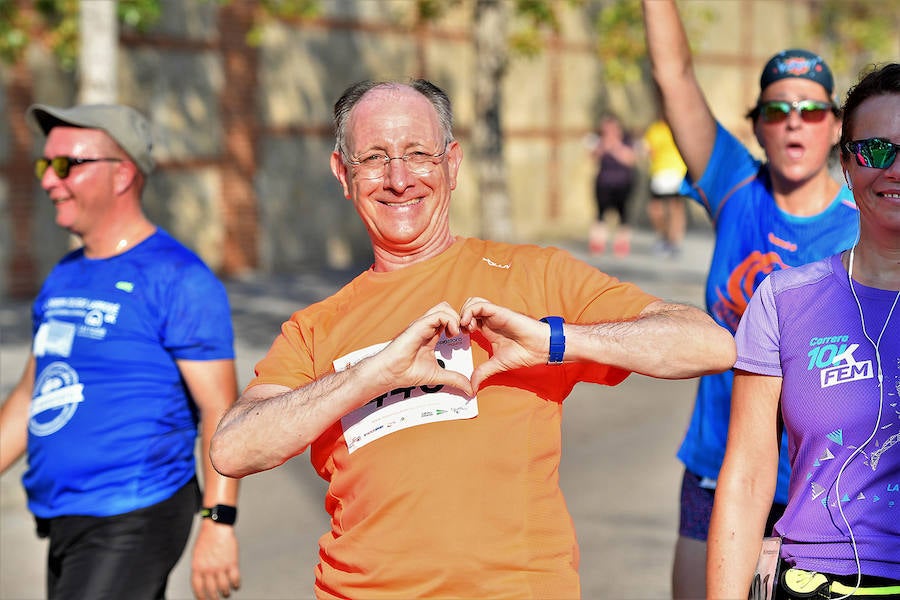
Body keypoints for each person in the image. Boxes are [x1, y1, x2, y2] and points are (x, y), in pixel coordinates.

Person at [209, 78, 736, 598]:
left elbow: (708, 344)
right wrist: (372, 375)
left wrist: (556, 342)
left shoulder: (533, 276)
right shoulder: (314, 328)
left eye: (419, 153)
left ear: (453, 164)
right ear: (342, 173)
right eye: (373, 158)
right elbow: (233, 449)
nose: (398, 179)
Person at [641, 2, 861, 597]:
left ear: (837, 125)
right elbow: (674, 77)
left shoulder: (865, 225)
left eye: (812, 110)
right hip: (719, 468)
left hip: (823, 486)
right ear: (758, 126)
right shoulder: (735, 187)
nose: (795, 123)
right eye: (777, 111)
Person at [0, 103, 242, 600]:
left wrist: (218, 521)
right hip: (64, 516)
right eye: (45, 165)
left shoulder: (179, 279)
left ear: (122, 174)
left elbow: (221, 407)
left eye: (66, 165)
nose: (49, 181)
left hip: (133, 514)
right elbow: (30, 394)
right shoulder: (63, 275)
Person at [708, 62, 900, 600]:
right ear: (846, 163)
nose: (894, 170)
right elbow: (747, 477)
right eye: (876, 150)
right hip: (814, 580)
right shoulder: (784, 299)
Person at [589, 114, 639, 257]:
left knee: (623, 214)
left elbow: (630, 159)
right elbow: (592, 157)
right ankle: (597, 243)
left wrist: (615, 147)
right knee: (600, 213)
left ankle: (621, 244)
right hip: (603, 182)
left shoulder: (627, 140)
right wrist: (603, 146)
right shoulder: (598, 140)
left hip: (623, 182)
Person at [643, 117, 687, 257]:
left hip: (677, 172)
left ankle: (675, 241)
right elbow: (648, 150)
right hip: (659, 173)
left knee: (675, 208)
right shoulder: (654, 130)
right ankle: (664, 237)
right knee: (655, 209)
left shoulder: (679, 126)